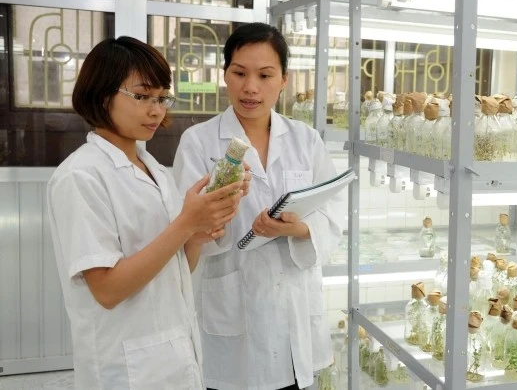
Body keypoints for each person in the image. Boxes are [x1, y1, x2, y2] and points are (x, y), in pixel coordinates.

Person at [47, 36, 247, 389]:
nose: (156, 110)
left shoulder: (153, 168)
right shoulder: (80, 176)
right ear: (101, 93)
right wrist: (185, 223)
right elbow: (107, 290)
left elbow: (177, 270)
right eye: (141, 97)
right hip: (125, 367)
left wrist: (196, 235)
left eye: (161, 98)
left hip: (174, 354)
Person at [173, 23, 345, 390]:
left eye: (265, 75)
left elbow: (332, 211)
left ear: (283, 80)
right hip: (233, 307)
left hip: (294, 310)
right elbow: (185, 229)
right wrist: (215, 219)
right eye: (239, 73)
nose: (250, 87)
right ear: (225, 75)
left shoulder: (306, 140)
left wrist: (297, 229)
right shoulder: (199, 142)